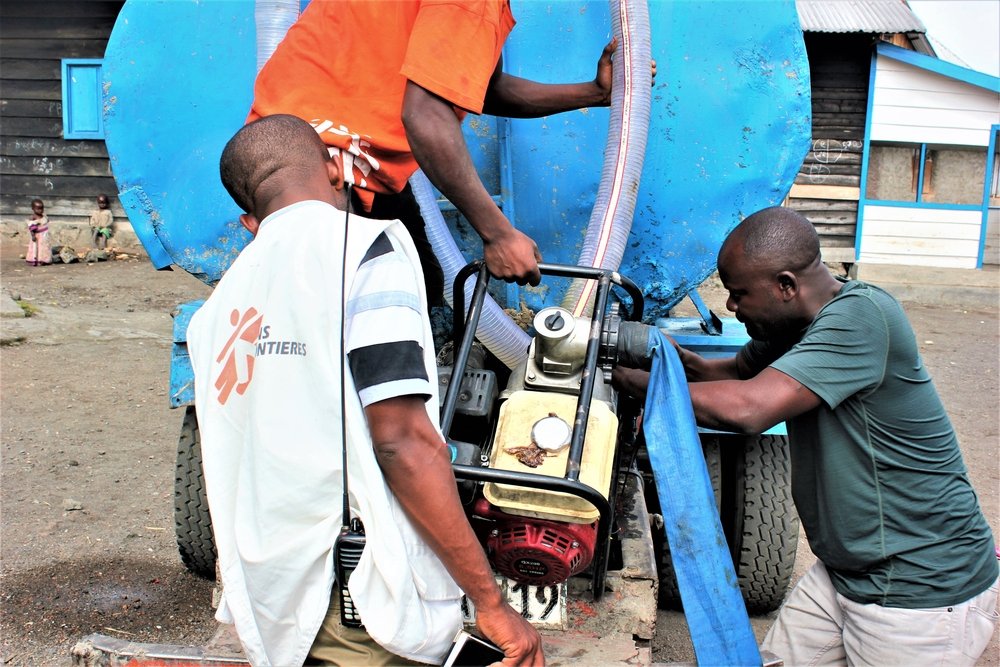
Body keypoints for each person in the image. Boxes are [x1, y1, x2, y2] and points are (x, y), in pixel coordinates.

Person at [187, 114, 543, 667]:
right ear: (335, 170)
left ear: (248, 220)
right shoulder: (366, 252)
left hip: (274, 598)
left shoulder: (216, 310)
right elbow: (402, 442)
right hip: (357, 603)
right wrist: (490, 602)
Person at [614, 206, 998, 665]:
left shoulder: (862, 316)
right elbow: (735, 373)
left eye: (739, 294)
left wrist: (647, 387)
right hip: (847, 572)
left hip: (919, 588)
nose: (731, 306)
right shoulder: (794, 326)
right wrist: (669, 362)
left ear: (785, 286)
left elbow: (751, 408)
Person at [248, 0, 653, 298]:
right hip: (328, 170)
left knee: (416, 283)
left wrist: (593, 93)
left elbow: (477, 90)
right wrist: (497, 234)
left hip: (286, 153)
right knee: (391, 308)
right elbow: (425, 114)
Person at [25, 198, 52, 266]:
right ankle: (37, 260)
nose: (40, 210)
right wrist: (33, 236)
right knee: (37, 248)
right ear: (33, 209)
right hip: (38, 236)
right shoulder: (33, 217)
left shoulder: (44, 216)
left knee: (45, 248)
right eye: (38, 209)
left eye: (42, 208)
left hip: (44, 236)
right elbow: (31, 228)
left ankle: (44, 259)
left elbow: (46, 222)